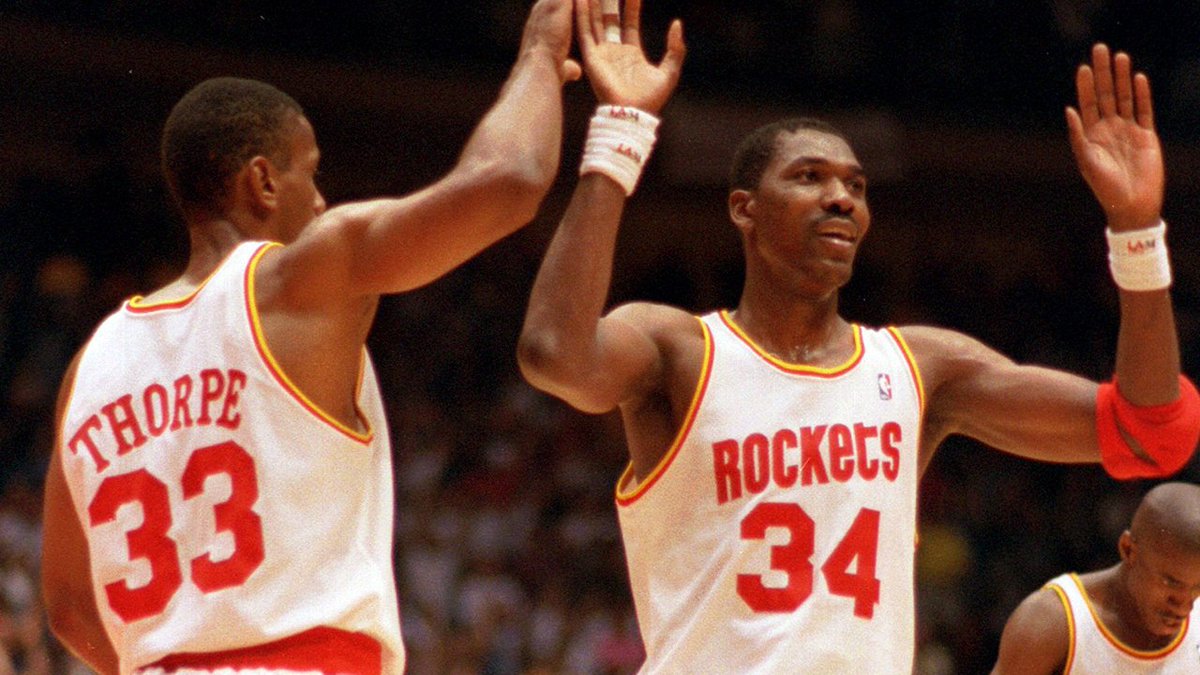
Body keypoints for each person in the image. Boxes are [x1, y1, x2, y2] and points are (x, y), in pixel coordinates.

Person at [515, 0, 1200, 669]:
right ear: (743, 210)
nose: (841, 195)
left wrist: (1137, 228)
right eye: (809, 177)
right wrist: (622, 132)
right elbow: (554, 354)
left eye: (855, 184)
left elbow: (1150, 431)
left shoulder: (920, 368)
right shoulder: (678, 349)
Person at [39, 1, 581, 672]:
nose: (321, 200)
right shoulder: (302, 279)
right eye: (311, 170)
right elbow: (509, 182)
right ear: (263, 180)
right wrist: (537, 55)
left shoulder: (91, 362)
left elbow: (66, 604)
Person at [993, 482, 1200, 674]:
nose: (1184, 606)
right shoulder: (1052, 623)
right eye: (1171, 582)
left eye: (1198, 587)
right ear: (1128, 550)